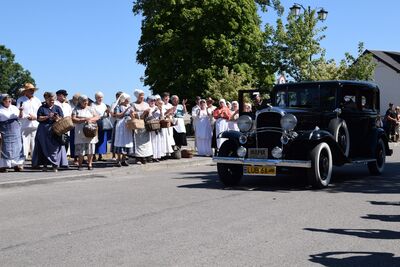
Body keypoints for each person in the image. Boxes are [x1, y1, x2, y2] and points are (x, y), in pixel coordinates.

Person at [31, 92, 68, 172]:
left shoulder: (57, 108)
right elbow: (38, 118)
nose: (52, 101)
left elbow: (61, 118)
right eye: (50, 100)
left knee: (56, 147)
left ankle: (55, 165)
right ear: (46, 99)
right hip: (43, 130)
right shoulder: (42, 108)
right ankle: (44, 165)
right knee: (44, 147)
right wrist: (48, 116)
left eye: (53, 100)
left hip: (55, 129)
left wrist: (56, 118)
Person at [71, 95, 100, 170]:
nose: (85, 102)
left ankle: (89, 164)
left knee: (90, 148)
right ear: (80, 102)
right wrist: (83, 120)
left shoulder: (91, 109)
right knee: (81, 149)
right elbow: (73, 119)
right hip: (80, 131)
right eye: (84, 101)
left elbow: (97, 117)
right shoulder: (76, 109)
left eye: (86, 101)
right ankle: (80, 165)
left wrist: (90, 119)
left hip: (90, 130)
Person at [16, 83, 42, 159]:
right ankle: (22, 162)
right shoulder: (21, 100)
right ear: (25, 91)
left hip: (35, 125)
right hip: (24, 125)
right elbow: (18, 113)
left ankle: (35, 162)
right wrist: (27, 116)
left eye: (33, 90)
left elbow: (41, 112)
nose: (32, 91)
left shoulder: (37, 100)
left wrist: (35, 117)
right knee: (24, 144)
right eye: (30, 90)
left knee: (35, 144)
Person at [0, 94, 25, 172]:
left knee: (17, 147)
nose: (10, 101)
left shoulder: (14, 108)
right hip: (5, 129)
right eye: (7, 100)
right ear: (3, 101)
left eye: (10, 100)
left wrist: (21, 110)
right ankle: (3, 165)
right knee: (6, 148)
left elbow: (20, 117)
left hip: (16, 129)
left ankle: (17, 165)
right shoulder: (0, 109)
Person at [113, 93, 135, 167]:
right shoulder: (118, 106)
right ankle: (118, 159)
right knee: (120, 142)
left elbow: (132, 116)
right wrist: (126, 111)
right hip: (120, 125)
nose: (128, 101)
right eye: (126, 99)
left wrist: (132, 114)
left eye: (128, 99)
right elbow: (118, 115)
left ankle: (124, 159)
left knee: (127, 142)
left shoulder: (129, 106)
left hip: (127, 125)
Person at [132, 89, 153, 164]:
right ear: (137, 96)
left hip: (145, 124)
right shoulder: (133, 104)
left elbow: (150, 115)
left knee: (147, 141)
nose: (142, 97)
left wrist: (148, 113)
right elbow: (133, 115)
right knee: (139, 141)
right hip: (138, 124)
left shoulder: (146, 104)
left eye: (143, 95)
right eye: (141, 95)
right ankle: (139, 157)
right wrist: (141, 114)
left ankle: (147, 156)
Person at [92, 91, 109, 161]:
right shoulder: (93, 105)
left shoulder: (104, 105)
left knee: (102, 139)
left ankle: (100, 155)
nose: (100, 99)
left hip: (103, 123)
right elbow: (92, 113)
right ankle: (93, 155)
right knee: (95, 139)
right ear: (96, 98)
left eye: (101, 97)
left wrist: (107, 113)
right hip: (96, 123)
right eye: (99, 97)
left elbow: (106, 114)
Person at [147, 95, 165, 162]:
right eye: (151, 100)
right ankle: (151, 156)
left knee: (157, 141)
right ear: (148, 101)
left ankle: (156, 156)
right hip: (151, 126)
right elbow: (148, 117)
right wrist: (154, 111)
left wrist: (160, 111)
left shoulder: (157, 107)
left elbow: (162, 117)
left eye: (154, 100)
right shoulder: (148, 108)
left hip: (157, 125)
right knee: (152, 142)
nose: (153, 102)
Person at [110, 91, 123, 160]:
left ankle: (122, 154)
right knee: (115, 139)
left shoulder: (124, 104)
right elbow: (112, 114)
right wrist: (118, 115)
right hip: (116, 122)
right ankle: (114, 155)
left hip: (123, 123)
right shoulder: (114, 104)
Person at [68, 93, 80, 164]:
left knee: (80, 143)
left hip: (79, 126)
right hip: (72, 126)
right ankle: (75, 158)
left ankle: (80, 157)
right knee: (73, 143)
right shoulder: (69, 104)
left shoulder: (80, 106)